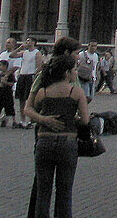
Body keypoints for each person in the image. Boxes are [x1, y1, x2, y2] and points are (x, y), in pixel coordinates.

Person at [25, 53, 90, 218]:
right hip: (67, 142)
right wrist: (72, 118)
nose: (76, 73)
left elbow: (30, 109)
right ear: (67, 73)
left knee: (43, 191)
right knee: (64, 191)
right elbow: (85, 120)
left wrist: (44, 119)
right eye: (74, 69)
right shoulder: (76, 92)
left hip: (44, 141)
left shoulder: (43, 92)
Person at [17, 37, 43, 127]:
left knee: (30, 98)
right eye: (27, 41)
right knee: (21, 99)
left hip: (30, 75)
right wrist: (19, 48)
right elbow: (12, 55)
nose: (27, 42)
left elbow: (39, 66)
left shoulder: (37, 53)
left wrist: (34, 75)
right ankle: (22, 119)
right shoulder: (24, 52)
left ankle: (31, 119)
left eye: (29, 41)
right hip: (22, 75)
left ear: (34, 42)